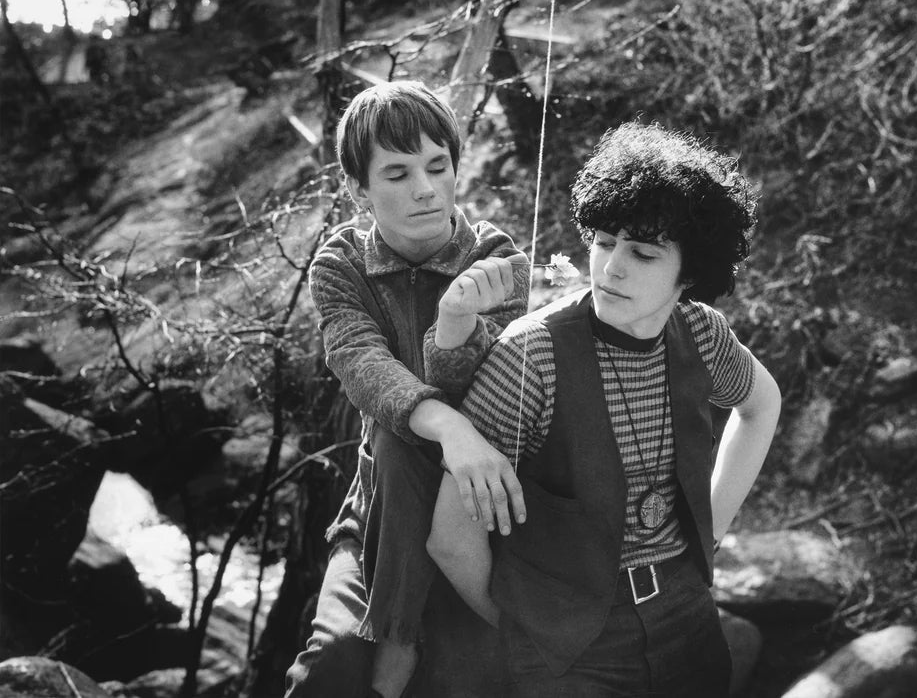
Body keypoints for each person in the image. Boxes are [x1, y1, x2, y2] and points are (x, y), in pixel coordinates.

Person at [427, 120, 782, 698]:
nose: (612, 267)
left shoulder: (701, 332)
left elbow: (761, 406)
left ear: (689, 272)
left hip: (687, 614)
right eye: (603, 242)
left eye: (643, 253)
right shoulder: (530, 354)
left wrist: (709, 534)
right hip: (568, 645)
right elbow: (450, 535)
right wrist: (525, 630)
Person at [284, 80, 531, 698]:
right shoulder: (340, 264)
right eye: (396, 173)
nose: (425, 189)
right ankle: (394, 633)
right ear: (357, 189)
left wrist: (453, 327)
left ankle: (403, 643)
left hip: (475, 498)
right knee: (330, 669)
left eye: (437, 166)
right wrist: (445, 425)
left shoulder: (495, 256)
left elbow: (494, 387)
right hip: (380, 506)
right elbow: (359, 361)